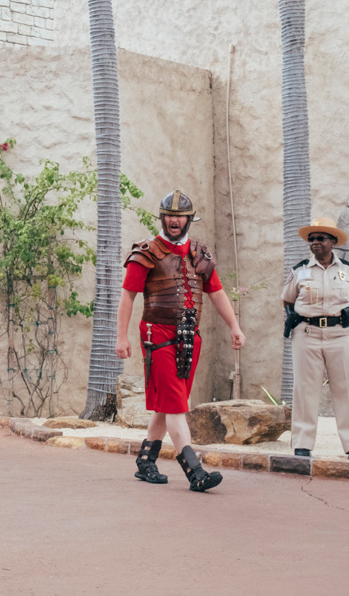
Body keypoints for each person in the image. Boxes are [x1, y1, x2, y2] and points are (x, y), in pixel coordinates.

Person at [115, 190, 245, 492]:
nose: (175, 221)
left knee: (167, 403)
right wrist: (121, 337)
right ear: (163, 218)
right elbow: (128, 297)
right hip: (156, 334)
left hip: (189, 337)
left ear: (189, 219)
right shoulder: (146, 251)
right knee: (176, 405)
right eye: (170, 215)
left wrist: (234, 326)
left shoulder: (199, 252)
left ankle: (146, 461)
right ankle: (194, 471)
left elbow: (216, 293)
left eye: (181, 216)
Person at [281, 217, 349, 460]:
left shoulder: (347, 270)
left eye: (321, 238)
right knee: (305, 389)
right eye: (312, 239)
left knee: (346, 388)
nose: (315, 242)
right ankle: (302, 443)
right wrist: (291, 318)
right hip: (307, 334)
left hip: (341, 334)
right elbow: (287, 299)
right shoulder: (299, 271)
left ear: (333, 242)